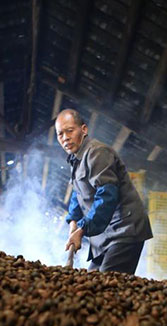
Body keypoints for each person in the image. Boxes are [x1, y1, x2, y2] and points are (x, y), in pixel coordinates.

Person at [56, 109, 153, 274]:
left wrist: (83, 229)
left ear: (84, 129)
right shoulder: (76, 160)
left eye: (70, 131)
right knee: (92, 283)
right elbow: (77, 193)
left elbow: (107, 196)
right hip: (104, 238)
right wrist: (73, 221)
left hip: (124, 230)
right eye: (60, 134)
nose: (65, 138)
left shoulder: (97, 153)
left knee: (106, 287)